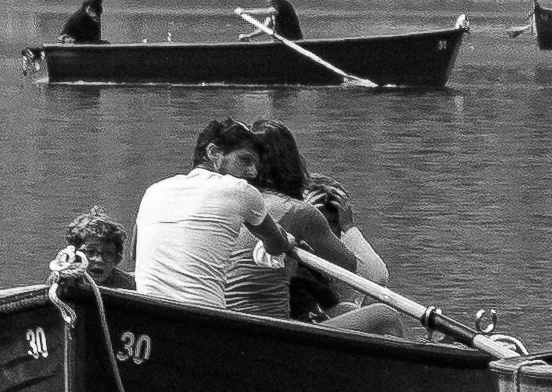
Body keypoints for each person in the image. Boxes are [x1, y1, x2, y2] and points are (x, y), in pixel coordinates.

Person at [228, 120, 406, 336]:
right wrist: (345, 227)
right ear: (291, 164)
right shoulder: (298, 211)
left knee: (346, 308)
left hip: (224, 317)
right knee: (385, 315)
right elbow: (358, 269)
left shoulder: (227, 202)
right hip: (271, 330)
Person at [132, 118, 295, 309]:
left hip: (146, 310)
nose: (252, 172)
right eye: (245, 160)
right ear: (213, 153)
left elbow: (134, 252)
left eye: (255, 165)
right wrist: (289, 239)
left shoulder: (154, 190)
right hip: (204, 317)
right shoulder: (241, 190)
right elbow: (277, 244)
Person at [304, 173, 390, 309]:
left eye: (333, 223)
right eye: (319, 223)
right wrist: (302, 216)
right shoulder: (289, 240)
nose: (327, 231)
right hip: (298, 317)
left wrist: (348, 227)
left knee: (377, 300)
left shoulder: (340, 250)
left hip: (331, 318)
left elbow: (377, 278)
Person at [64, 206, 135, 290]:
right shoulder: (62, 281)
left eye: (108, 253)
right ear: (75, 256)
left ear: (117, 259)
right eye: (90, 252)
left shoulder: (127, 286)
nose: (99, 260)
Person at [237, 0, 303, 42]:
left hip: (294, 41)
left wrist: (245, 11)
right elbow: (264, 29)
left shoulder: (284, 5)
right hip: (281, 42)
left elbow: (269, 11)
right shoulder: (272, 12)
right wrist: (248, 36)